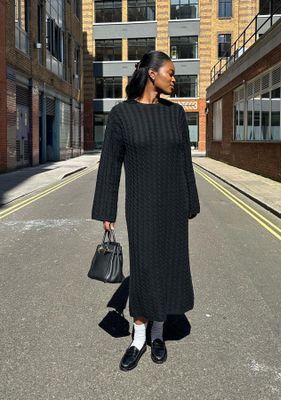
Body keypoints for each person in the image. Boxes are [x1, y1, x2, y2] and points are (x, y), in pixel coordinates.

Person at [91, 50, 200, 371]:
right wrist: (105, 210)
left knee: (169, 266)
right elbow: (109, 165)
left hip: (173, 205)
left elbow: (185, 164)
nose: (174, 78)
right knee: (145, 267)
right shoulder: (122, 115)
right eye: (170, 72)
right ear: (152, 74)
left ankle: (157, 334)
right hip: (141, 205)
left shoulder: (176, 114)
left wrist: (191, 203)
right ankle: (138, 337)